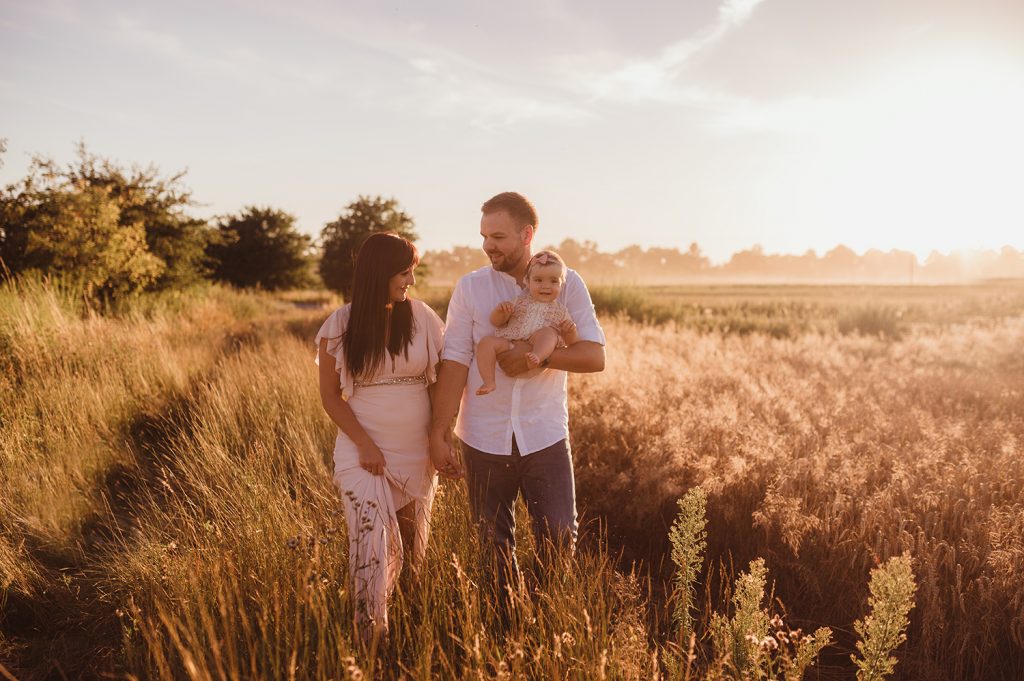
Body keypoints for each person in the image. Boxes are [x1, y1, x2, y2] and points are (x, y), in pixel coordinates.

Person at [428, 192, 606, 604]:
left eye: (499, 236)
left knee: (560, 538)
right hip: (482, 436)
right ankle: (504, 630)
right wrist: (439, 432)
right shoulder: (471, 287)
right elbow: (454, 360)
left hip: (543, 435)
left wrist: (539, 361)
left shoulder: (567, 282)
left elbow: (594, 356)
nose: (488, 245)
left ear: (527, 234)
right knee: (492, 549)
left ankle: (547, 622)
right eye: (484, 236)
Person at [315, 232, 459, 641]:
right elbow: (330, 396)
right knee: (372, 547)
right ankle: (370, 638)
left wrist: (441, 438)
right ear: (378, 273)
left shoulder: (422, 318)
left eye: (411, 270)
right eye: (403, 271)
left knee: (414, 551)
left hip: (416, 452)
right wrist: (365, 444)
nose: (410, 280)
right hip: (362, 453)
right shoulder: (340, 324)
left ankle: (413, 632)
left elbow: (439, 385)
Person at [476, 250, 579, 395]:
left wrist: (570, 331)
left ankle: (536, 356)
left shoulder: (560, 311)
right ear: (527, 282)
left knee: (549, 333)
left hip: (535, 348)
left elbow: (572, 342)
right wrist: (501, 312)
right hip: (510, 345)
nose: (546, 286)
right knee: (486, 342)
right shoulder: (519, 301)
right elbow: (496, 322)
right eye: (538, 280)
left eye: (554, 281)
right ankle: (488, 381)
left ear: (561, 285)